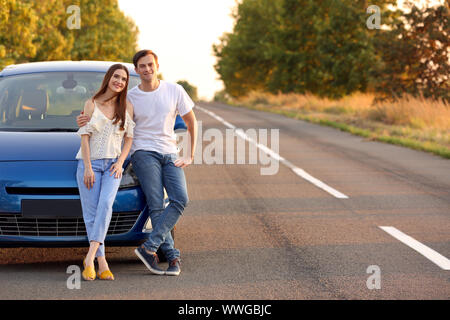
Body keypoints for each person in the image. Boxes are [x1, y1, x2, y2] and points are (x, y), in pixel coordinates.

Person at [77, 50, 198, 276]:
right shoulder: (130, 96)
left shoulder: (174, 90)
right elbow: (106, 116)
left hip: (170, 153)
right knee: (155, 204)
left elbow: (191, 121)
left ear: (157, 65)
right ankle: (171, 256)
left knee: (181, 199)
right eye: (142, 66)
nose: (147, 69)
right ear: (136, 70)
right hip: (143, 153)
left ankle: (149, 246)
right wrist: (83, 118)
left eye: (150, 65)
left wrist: (190, 155)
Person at [75, 64, 135, 281]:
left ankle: (89, 257)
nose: (119, 81)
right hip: (89, 164)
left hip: (112, 166)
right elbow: (84, 136)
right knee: (91, 214)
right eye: (116, 77)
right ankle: (102, 262)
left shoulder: (126, 106)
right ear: (109, 78)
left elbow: (129, 138)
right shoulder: (91, 103)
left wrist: (120, 162)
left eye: (124, 79)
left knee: (106, 205)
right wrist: (88, 167)